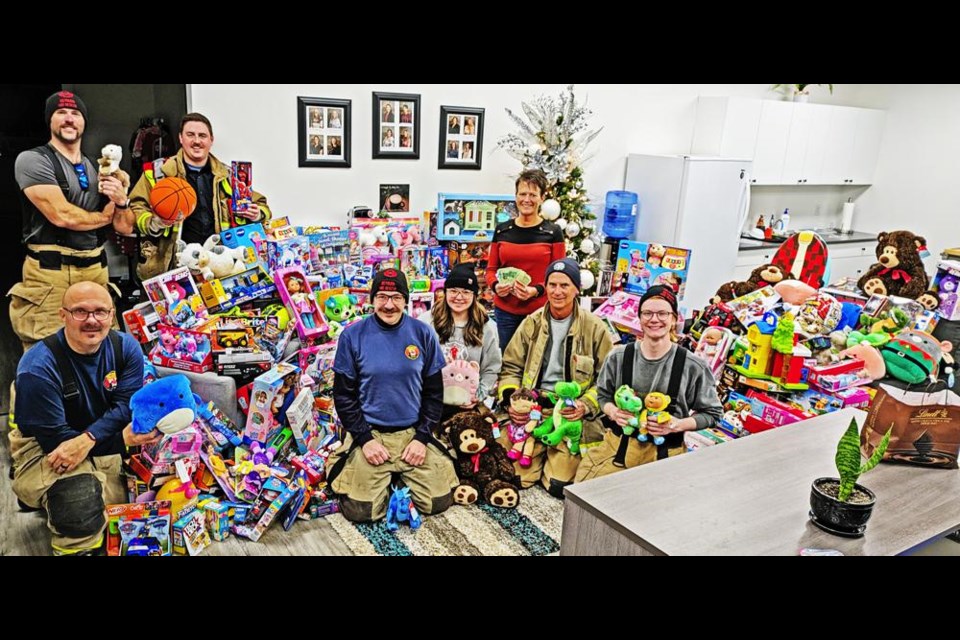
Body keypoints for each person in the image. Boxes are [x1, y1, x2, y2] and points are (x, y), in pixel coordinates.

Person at [10, 282, 159, 555]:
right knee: (78, 504)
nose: (92, 320)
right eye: (80, 311)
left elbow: (126, 404)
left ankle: (41, 494)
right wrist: (120, 440)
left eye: (100, 312)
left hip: (98, 434)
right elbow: (59, 443)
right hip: (47, 444)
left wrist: (93, 438)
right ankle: (44, 502)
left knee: (129, 501)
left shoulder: (126, 348)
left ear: (112, 315)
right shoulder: (37, 367)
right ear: (62, 315)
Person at [328, 268, 458, 523]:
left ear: (406, 300)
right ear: (372, 299)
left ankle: (397, 476)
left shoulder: (423, 333)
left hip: (412, 433)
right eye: (382, 297)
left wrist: (422, 437)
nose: (389, 305)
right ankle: (384, 475)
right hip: (371, 432)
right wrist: (365, 439)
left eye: (396, 297)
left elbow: (434, 394)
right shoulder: (352, 336)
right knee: (361, 511)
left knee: (437, 502)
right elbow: (343, 396)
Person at [9, 91, 130, 351]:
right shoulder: (32, 160)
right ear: (49, 120)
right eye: (60, 113)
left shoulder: (97, 168)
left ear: (84, 122)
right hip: (49, 276)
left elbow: (125, 226)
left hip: (96, 271)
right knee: (44, 360)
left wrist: (122, 200)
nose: (69, 119)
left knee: (102, 355)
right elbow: (62, 216)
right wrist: (107, 214)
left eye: (75, 113)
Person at [576, 286, 723, 481]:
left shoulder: (693, 365)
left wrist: (677, 425)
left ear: (674, 318)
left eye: (662, 313)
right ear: (639, 317)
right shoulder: (618, 357)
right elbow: (603, 396)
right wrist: (613, 412)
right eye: (647, 313)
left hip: (665, 455)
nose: (654, 319)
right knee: (583, 492)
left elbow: (712, 414)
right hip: (617, 448)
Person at [497, 258, 613, 497]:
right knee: (515, 477)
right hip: (531, 410)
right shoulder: (531, 323)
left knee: (558, 486)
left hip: (570, 416)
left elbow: (607, 379)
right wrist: (513, 400)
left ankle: (553, 457)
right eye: (552, 285)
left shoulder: (595, 328)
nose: (557, 291)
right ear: (546, 287)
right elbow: (510, 366)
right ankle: (535, 452)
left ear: (576, 289)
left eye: (565, 285)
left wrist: (585, 405)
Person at [116, 113, 273, 280]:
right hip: (173, 266)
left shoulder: (230, 175)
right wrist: (155, 222)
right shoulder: (157, 172)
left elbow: (263, 205)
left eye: (202, 136)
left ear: (211, 140)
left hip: (218, 265)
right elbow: (136, 207)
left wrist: (257, 214)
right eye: (190, 135)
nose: (197, 141)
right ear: (181, 138)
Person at [485, 168, 565, 352]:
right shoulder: (502, 230)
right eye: (522, 194)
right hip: (505, 312)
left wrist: (535, 290)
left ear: (542, 198)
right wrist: (496, 286)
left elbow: (559, 277)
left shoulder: (553, 233)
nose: (526, 199)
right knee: (508, 360)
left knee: (538, 361)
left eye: (533, 194)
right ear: (515, 196)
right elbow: (491, 270)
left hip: (539, 311)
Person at [418, 263, 502, 423]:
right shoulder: (426, 322)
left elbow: (492, 368)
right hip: (430, 403)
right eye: (453, 291)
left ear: (474, 295)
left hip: (468, 405)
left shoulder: (488, 327)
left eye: (465, 292)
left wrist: (477, 396)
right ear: (445, 292)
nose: (459, 297)